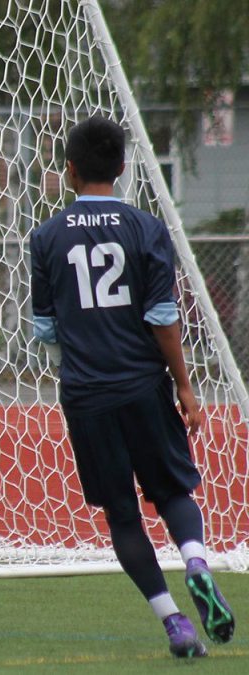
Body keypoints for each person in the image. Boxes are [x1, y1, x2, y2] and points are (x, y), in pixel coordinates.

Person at [29, 116, 235, 658]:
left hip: (87, 395)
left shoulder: (46, 236)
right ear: (122, 167)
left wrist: (77, 362)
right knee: (172, 490)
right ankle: (194, 559)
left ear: (69, 170)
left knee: (122, 512)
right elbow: (164, 315)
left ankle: (175, 624)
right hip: (144, 386)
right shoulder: (146, 228)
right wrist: (185, 387)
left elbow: (45, 329)